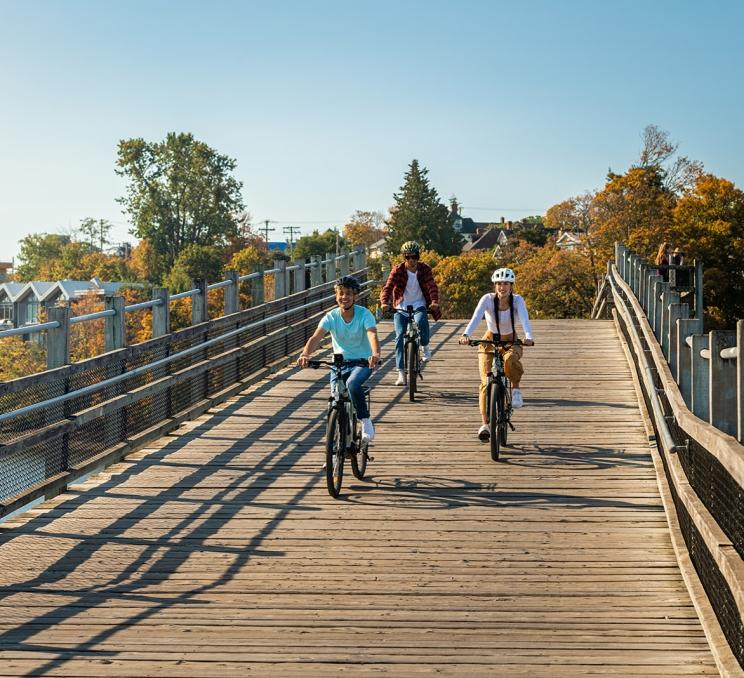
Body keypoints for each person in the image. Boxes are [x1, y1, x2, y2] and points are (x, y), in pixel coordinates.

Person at [298, 276, 381, 442]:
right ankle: (335, 452)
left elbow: (372, 333)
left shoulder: (364, 314)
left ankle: (365, 420)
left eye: (349, 293)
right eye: (341, 293)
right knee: (335, 402)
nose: (344, 297)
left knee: (352, 384)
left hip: (362, 362)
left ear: (355, 296)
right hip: (339, 364)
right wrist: (306, 354)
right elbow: (316, 337)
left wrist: (376, 354)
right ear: (336, 296)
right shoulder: (331, 316)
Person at [458, 267, 534, 440]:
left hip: (511, 340)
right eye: (499, 284)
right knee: (485, 382)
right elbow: (476, 317)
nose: (502, 287)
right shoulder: (487, 299)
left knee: (509, 360)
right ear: (495, 285)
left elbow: (524, 319)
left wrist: (528, 337)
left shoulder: (517, 301)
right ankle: (485, 423)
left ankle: (515, 389)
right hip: (489, 340)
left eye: (506, 284)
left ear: (511, 285)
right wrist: (466, 335)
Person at [380, 241, 442, 386]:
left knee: (421, 322)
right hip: (401, 306)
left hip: (419, 303)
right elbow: (388, 287)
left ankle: (425, 346)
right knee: (399, 337)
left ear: (418, 257)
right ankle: (401, 373)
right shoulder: (398, 270)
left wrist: (434, 301)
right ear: (404, 258)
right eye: (408, 257)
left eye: (414, 257)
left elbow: (432, 285)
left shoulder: (425, 269)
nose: (411, 260)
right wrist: (384, 302)